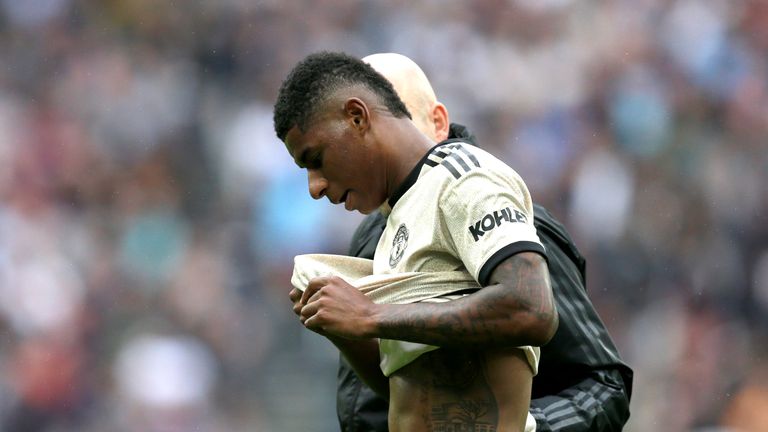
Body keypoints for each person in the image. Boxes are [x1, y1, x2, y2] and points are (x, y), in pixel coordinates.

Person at [336, 53, 634, 432]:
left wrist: (524, 427)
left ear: (438, 123)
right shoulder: (371, 236)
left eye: (394, 120)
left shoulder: (510, 226)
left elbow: (603, 386)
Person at [275, 51, 558, 431]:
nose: (314, 187)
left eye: (316, 159)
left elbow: (532, 308)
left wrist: (370, 314)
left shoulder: (463, 178)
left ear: (357, 117)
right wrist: (344, 328)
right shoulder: (397, 220)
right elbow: (412, 390)